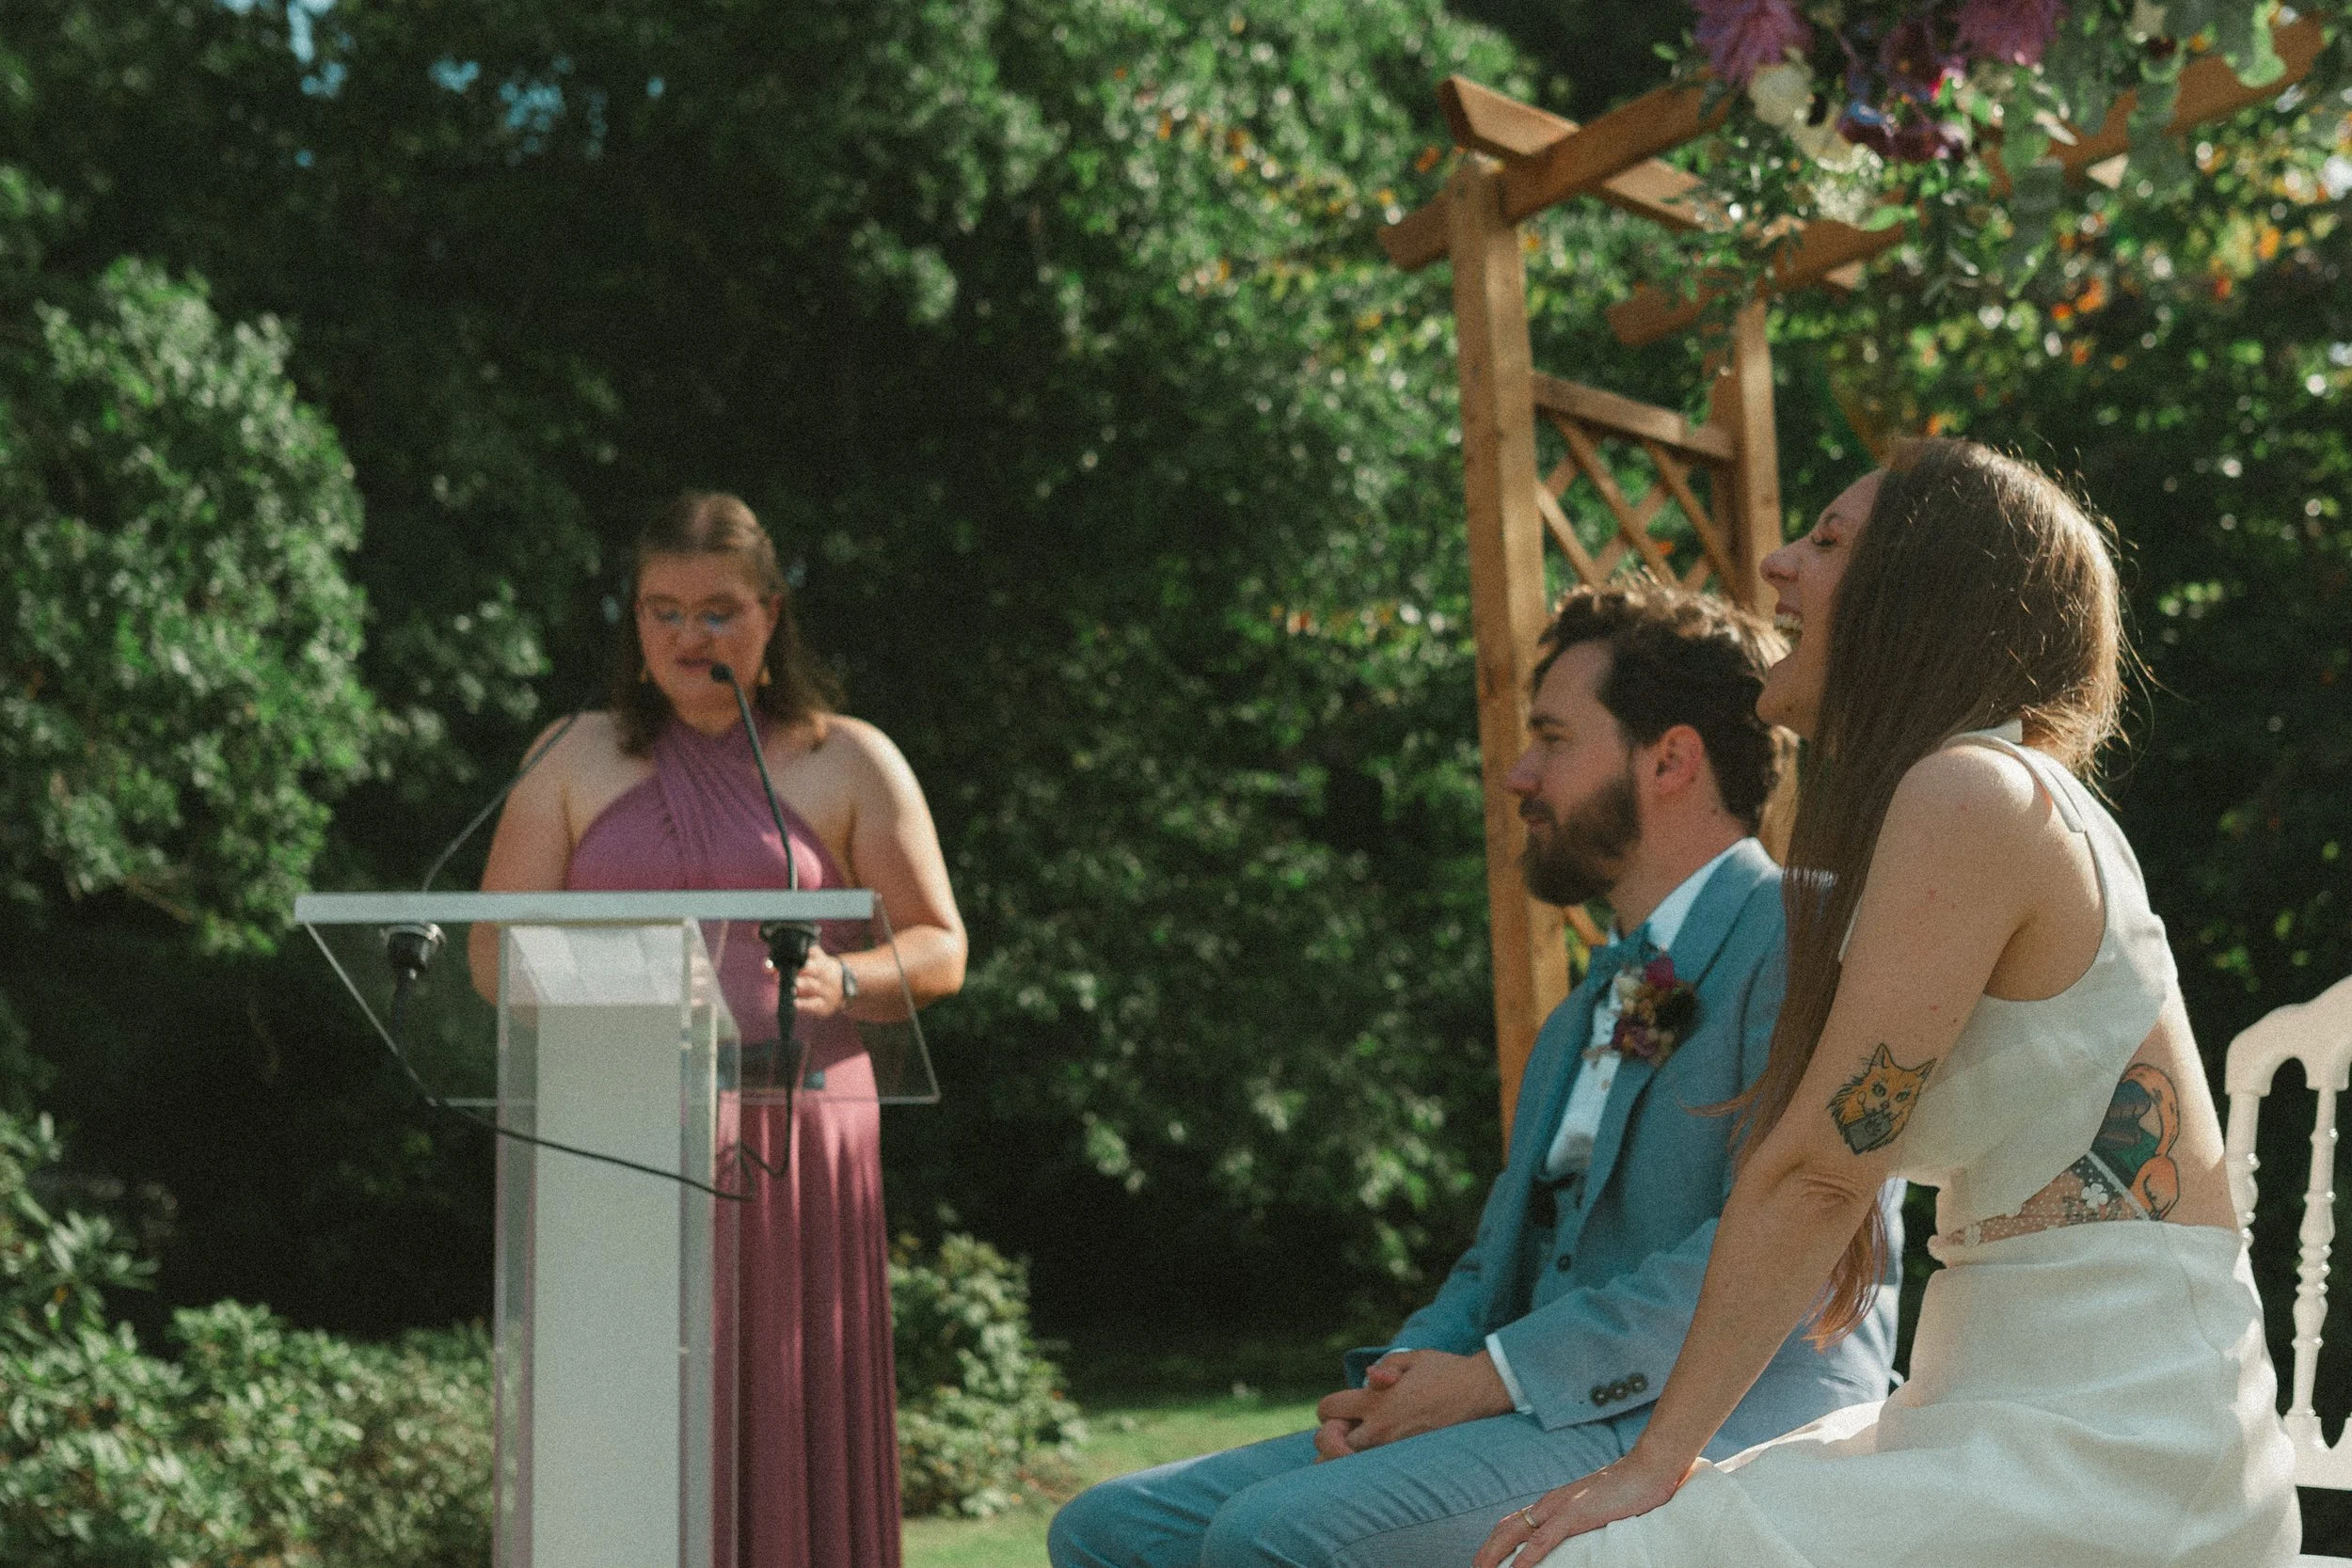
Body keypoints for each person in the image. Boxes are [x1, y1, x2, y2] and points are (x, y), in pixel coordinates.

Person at [1475, 439, 2298, 1568]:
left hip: (2126, 1444)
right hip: (1991, 1400)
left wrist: (1650, 1464)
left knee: (1597, 1557)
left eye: (1826, 541)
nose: (1774, 563)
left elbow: (1819, 1169)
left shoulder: (1977, 792)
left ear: (1925, 591)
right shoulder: (1966, 799)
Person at [1049, 584, 1900, 1568]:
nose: (1515, 774)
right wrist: (1396, 1387)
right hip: (1545, 1409)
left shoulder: (1805, 936)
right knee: (1109, 1529)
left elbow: (1792, 1236)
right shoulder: (1596, 1001)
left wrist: (1495, 1375)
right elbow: (1503, 1249)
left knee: (1274, 1533)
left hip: (1731, 1416)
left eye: (1550, 737)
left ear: (1669, 758)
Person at [472, 491, 967, 1568]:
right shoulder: (573, 753)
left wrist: (847, 973)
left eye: (717, 610)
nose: (689, 636)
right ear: (633, 624)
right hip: (614, 1131)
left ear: (772, 613)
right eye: (663, 611)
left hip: (795, 1135)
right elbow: (489, 953)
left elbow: (940, 946)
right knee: (628, 1411)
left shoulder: (849, 759)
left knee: (778, 1405)